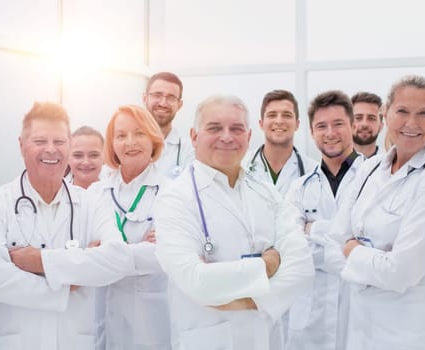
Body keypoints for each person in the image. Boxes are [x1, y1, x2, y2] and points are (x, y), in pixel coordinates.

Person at [154, 94, 314, 350]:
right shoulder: (175, 198)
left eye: (236, 129)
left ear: (249, 137)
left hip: (264, 338)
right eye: (214, 128)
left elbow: (302, 268)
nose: (227, 136)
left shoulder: (265, 192)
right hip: (206, 340)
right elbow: (196, 281)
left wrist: (249, 302)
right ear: (194, 136)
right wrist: (268, 265)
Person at [0, 102, 136, 350]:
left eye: (59, 142)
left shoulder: (91, 203)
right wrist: (71, 283)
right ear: (21, 145)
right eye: (40, 141)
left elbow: (118, 260)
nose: (51, 150)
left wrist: (40, 261)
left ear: (69, 145)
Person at [327, 75, 425, 350]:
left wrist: (353, 250)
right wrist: (376, 263)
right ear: (385, 114)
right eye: (402, 111)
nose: (411, 123)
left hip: (408, 332)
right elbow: (332, 244)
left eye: (423, 113)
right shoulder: (370, 168)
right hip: (359, 326)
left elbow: (402, 273)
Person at [284, 91, 364, 350]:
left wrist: (313, 229)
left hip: (360, 309)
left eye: (338, 123)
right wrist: (348, 243)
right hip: (311, 315)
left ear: (352, 125)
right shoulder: (299, 188)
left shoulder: (375, 180)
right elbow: (291, 248)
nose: (330, 132)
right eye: (321, 126)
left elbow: (377, 243)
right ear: (311, 132)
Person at [89, 105, 171, 349]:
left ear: (153, 139)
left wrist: (104, 252)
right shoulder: (95, 192)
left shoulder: (170, 192)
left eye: (139, 133)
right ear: (112, 144)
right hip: (101, 312)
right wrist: (137, 250)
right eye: (121, 135)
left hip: (151, 319)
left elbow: (162, 256)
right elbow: (83, 253)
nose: (130, 142)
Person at [247, 89, 317, 195]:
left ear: (297, 124)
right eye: (272, 115)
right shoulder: (241, 167)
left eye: (287, 115)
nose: (279, 121)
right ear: (261, 124)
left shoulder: (314, 172)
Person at [143, 72, 194, 178]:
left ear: (179, 105)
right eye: (157, 95)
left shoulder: (189, 150)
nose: (163, 103)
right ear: (145, 98)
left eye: (171, 98)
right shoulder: (126, 144)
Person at [351, 92, 384, 158]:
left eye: (371, 118)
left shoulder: (393, 165)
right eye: (358, 118)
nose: (364, 124)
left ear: (381, 126)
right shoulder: (330, 164)